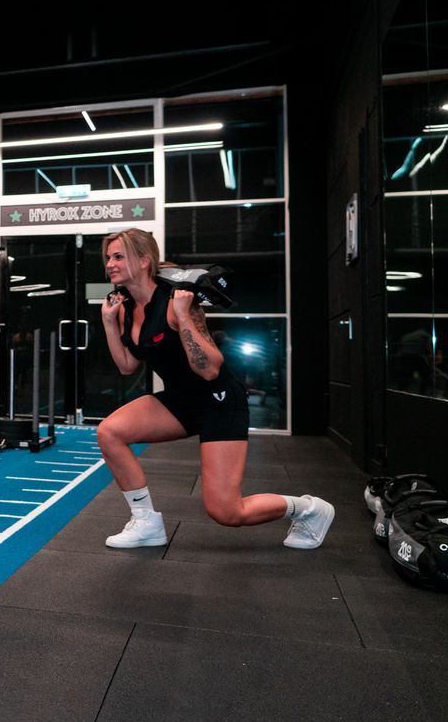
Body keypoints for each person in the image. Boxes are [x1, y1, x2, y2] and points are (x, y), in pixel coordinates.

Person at [94, 227, 333, 550]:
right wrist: (109, 323)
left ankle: (308, 509)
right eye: (108, 257)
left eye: (118, 256)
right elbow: (127, 366)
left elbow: (209, 370)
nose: (110, 263)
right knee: (109, 432)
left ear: (144, 260)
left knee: (226, 510)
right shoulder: (125, 308)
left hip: (219, 401)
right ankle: (146, 522)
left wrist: (184, 318)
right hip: (178, 400)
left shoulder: (177, 301)